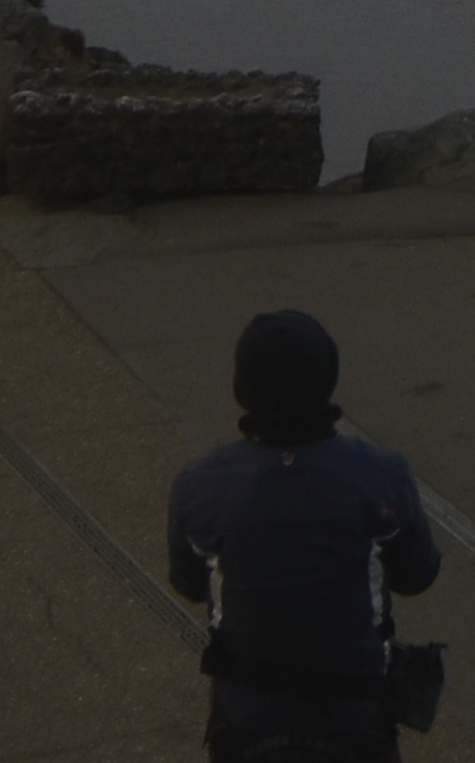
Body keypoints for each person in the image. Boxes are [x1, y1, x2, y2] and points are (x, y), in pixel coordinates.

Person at [165, 307, 441, 753]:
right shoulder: (380, 475)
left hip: (247, 723)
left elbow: (189, 584)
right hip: (353, 720)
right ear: (327, 378)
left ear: (242, 388)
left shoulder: (200, 485)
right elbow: (418, 576)